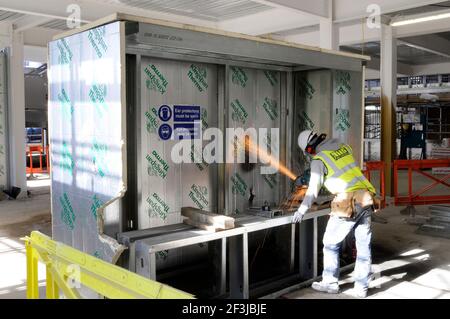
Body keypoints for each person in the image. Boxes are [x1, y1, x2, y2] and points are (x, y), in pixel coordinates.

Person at [292, 130, 376, 298]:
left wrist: (301, 210)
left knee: (330, 243)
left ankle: (330, 282)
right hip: (365, 198)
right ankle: (361, 288)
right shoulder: (343, 147)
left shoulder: (319, 159)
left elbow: (313, 191)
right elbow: (343, 174)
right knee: (363, 245)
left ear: (309, 149)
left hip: (347, 202)